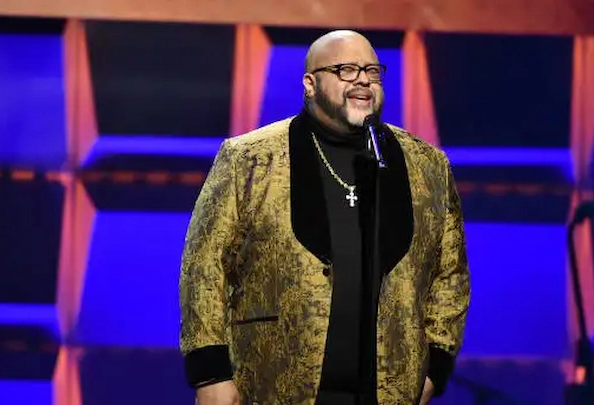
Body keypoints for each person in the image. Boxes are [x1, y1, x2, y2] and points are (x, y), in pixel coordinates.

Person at [179, 29, 470, 405]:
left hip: (390, 390)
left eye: (372, 71)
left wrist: (436, 368)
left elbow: (450, 275)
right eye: (346, 69)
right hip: (274, 385)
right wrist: (211, 373)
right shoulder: (248, 158)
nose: (363, 79)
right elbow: (204, 267)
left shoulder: (427, 164)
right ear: (310, 84)